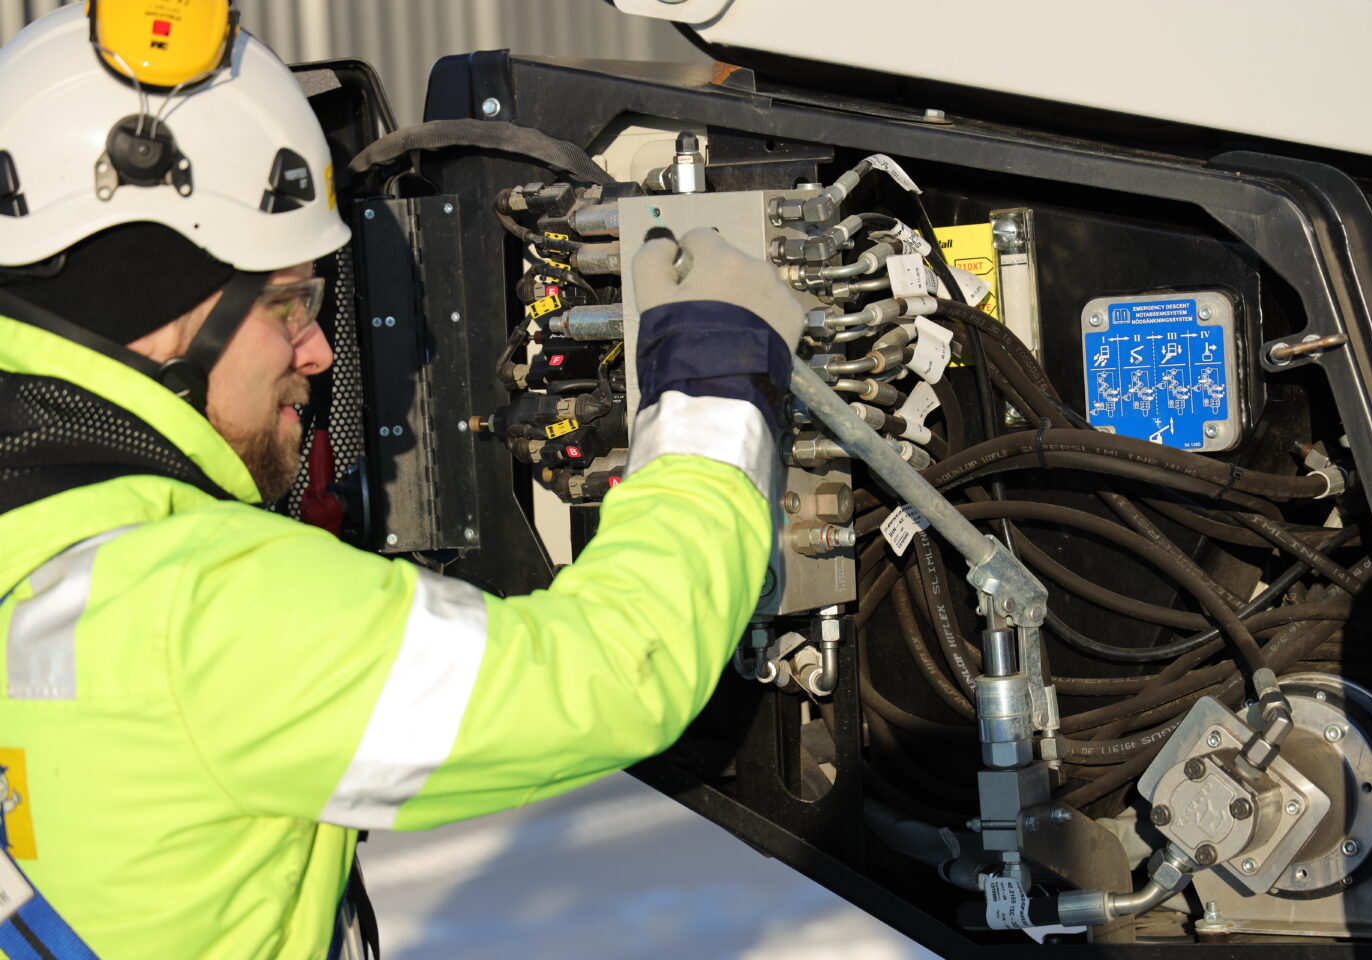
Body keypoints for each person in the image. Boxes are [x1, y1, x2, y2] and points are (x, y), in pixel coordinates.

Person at [0, 4, 802, 958]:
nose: (316, 350)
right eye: (289, 304)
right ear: (162, 315)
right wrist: (712, 392)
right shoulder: (198, 612)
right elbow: (613, 674)